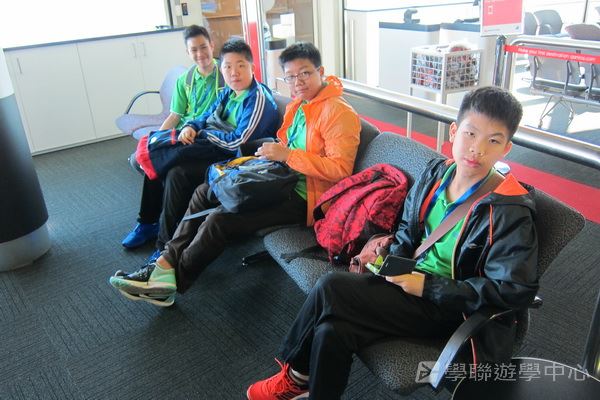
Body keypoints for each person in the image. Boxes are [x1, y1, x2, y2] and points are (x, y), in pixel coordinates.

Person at [246, 86, 539, 400]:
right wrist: (392, 262)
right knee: (333, 328)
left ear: (506, 148)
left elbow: (513, 291)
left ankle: (295, 376)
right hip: (409, 285)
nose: (477, 149)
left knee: (331, 287)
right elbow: (407, 230)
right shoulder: (437, 174)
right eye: (470, 134)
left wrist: (427, 286)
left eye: (493, 141)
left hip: (451, 308)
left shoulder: (509, 210)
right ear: (454, 132)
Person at [109, 42, 361, 307]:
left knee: (220, 220)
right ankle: (164, 261)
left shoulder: (338, 112)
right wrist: (272, 155)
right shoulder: (300, 105)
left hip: (306, 198)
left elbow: (340, 170)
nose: (297, 82)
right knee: (205, 191)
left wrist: (287, 155)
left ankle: (169, 282)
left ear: (320, 71)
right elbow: (289, 145)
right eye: (290, 76)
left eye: (305, 73)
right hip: (279, 179)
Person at [122, 37, 279, 264]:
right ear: (222, 69)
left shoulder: (257, 99)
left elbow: (239, 142)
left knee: (177, 172)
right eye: (227, 67)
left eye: (240, 66)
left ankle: (165, 246)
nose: (234, 73)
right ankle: (147, 222)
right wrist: (191, 127)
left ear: (252, 67)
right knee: (161, 157)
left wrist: (203, 134)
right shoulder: (228, 92)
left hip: (238, 160)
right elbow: (205, 116)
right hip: (214, 148)